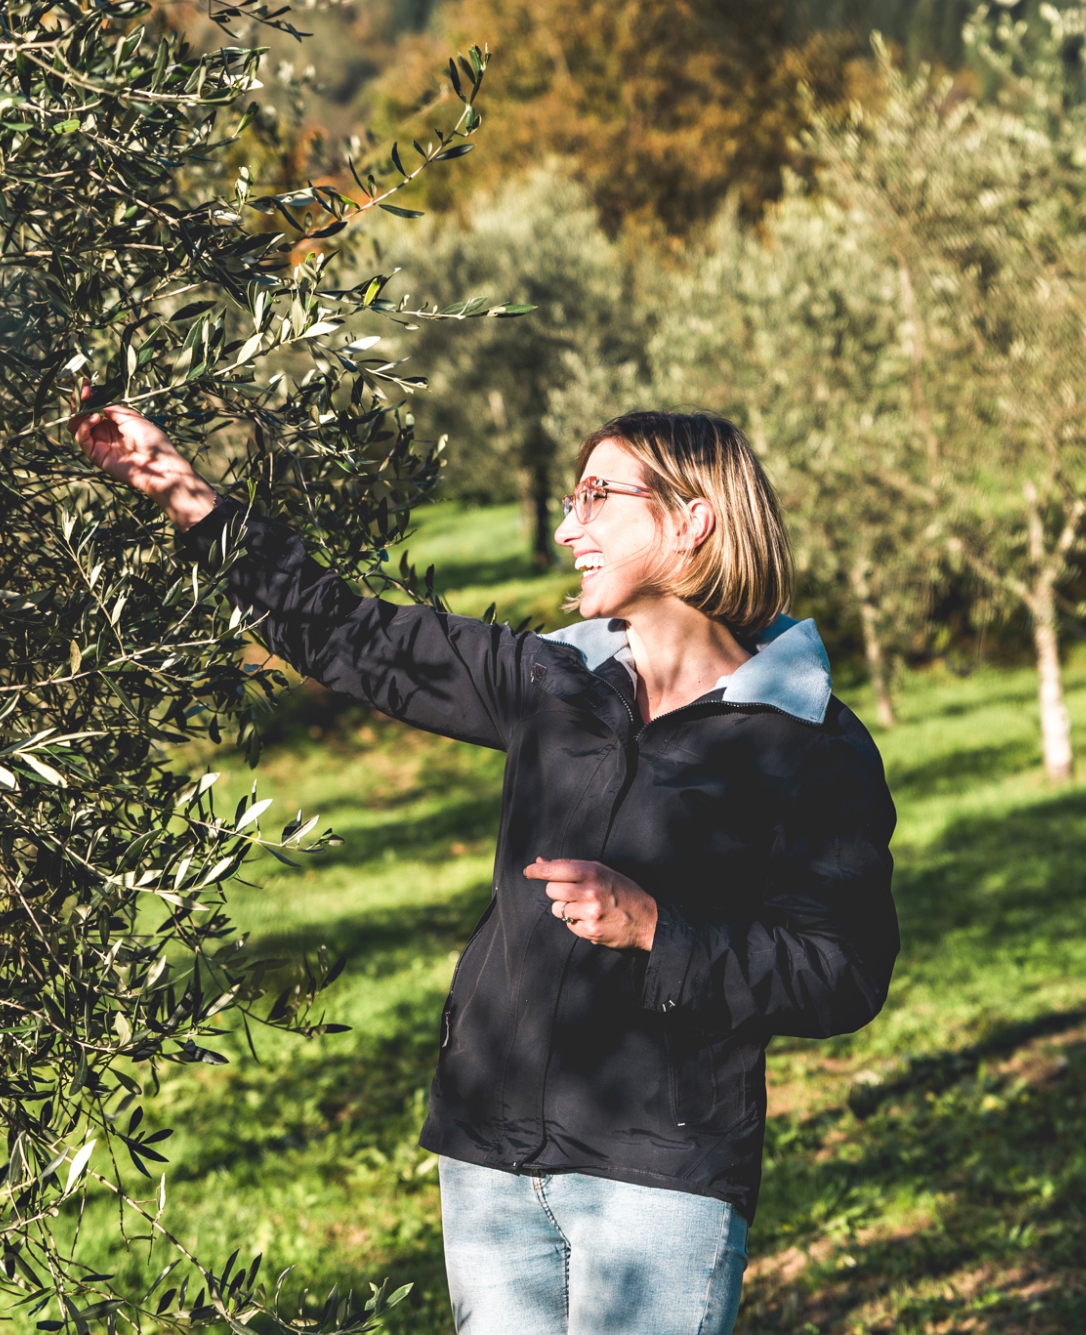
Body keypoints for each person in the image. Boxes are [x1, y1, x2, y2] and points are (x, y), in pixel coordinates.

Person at [73, 404, 899, 1335]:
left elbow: (845, 971)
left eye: (596, 496)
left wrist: (657, 929)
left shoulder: (810, 743)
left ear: (692, 519)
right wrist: (177, 487)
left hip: (660, 1176)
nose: (566, 526)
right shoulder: (553, 684)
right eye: (568, 498)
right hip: (487, 1159)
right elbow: (354, 638)